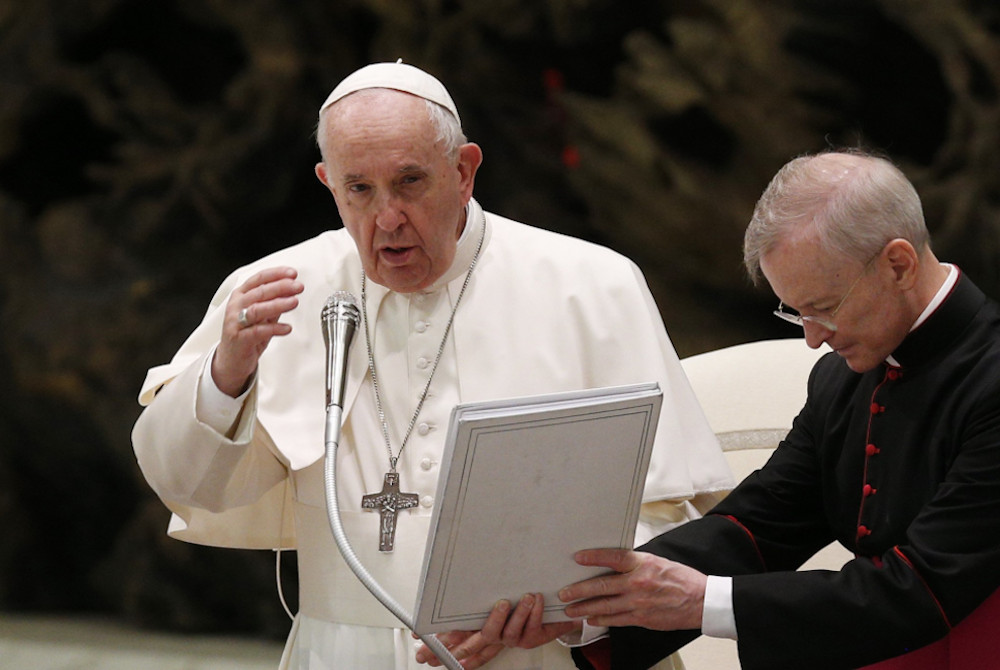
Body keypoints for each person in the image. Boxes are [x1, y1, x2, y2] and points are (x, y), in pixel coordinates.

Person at [130, 61, 734, 670]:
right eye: (358, 189)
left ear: (465, 170)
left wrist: (564, 610)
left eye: (410, 182)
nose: (386, 218)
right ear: (327, 182)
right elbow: (187, 484)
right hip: (342, 651)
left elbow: (663, 511)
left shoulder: (592, 286)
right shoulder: (277, 291)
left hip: (539, 656)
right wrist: (226, 374)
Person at [553, 150, 1000, 670]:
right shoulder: (841, 378)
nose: (811, 340)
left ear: (897, 264)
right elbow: (760, 523)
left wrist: (702, 602)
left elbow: (923, 589)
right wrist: (588, 604)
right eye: (796, 312)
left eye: (825, 308)